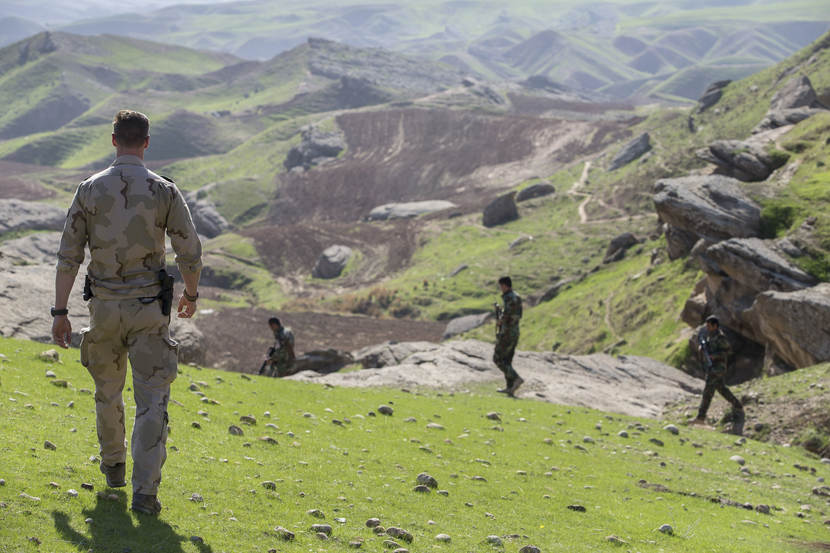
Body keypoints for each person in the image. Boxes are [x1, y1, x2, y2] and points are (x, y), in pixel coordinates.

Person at [52, 110, 202, 516]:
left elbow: (68, 256)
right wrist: (190, 293)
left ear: (113, 139)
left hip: (103, 308)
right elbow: (189, 250)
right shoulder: (164, 191)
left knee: (107, 391)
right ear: (147, 142)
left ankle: (114, 465)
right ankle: (144, 493)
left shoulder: (88, 189)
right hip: (149, 310)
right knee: (152, 400)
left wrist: (60, 311)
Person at [692, 315, 744, 425]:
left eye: (709, 326)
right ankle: (737, 405)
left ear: (715, 325)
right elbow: (707, 348)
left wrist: (715, 356)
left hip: (718, 367)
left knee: (708, 391)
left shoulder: (720, 337)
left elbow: (728, 351)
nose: (707, 328)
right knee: (721, 389)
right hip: (712, 367)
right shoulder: (709, 336)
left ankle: (701, 417)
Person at [493, 276, 524, 396]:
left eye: (501, 286)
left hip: (507, 332)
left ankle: (516, 379)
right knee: (507, 360)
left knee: (498, 358)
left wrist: (500, 319)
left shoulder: (510, 298)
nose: (500, 288)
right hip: (514, 331)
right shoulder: (516, 297)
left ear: (505, 285)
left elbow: (507, 316)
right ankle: (510, 387)